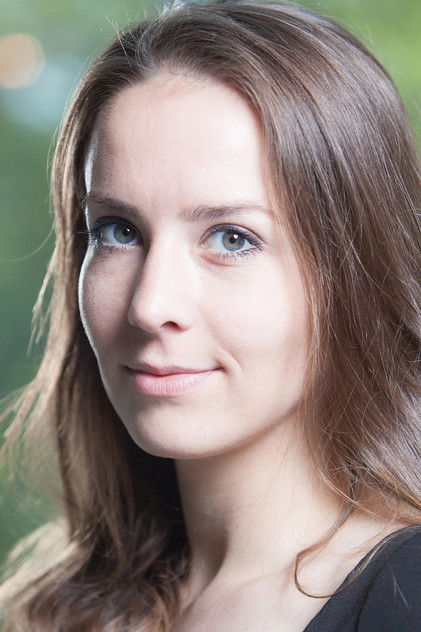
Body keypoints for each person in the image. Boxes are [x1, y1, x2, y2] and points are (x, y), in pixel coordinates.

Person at [0, 0, 420, 630]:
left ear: (354, 274)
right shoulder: (60, 607)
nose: (150, 306)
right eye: (117, 231)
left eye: (231, 238)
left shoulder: (405, 599)